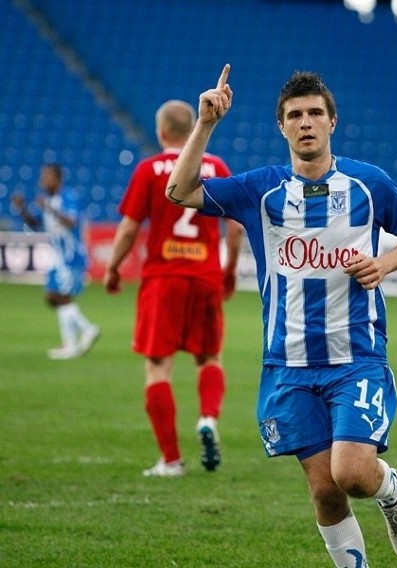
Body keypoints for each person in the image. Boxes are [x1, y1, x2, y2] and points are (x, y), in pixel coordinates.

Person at [165, 65, 397, 565]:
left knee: (353, 474)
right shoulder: (260, 191)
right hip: (288, 364)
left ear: (333, 122)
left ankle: (391, 491)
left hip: (356, 356)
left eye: (315, 113)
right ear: (282, 127)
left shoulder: (368, 184)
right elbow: (180, 192)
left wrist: (384, 263)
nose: (305, 122)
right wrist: (205, 125)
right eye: (295, 115)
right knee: (324, 489)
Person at [103, 100, 243, 478]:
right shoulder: (217, 167)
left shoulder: (149, 169)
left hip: (163, 279)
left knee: (158, 369)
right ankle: (208, 419)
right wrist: (229, 270)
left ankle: (171, 460)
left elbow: (130, 227)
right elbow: (234, 227)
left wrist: (113, 268)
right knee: (209, 359)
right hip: (206, 276)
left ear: (162, 131)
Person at [11, 164, 100, 360]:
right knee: (55, 297)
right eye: (43, 178)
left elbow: (71, 222)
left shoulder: (68, 197)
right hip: (58, 258)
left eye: (47, 177)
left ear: (57, 179)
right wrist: (22, 208)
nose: (43, 181)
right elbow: (35, 224)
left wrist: (49, 208)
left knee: (57, 296)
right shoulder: (49, 200)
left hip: (72, 255)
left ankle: (78, 338)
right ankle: (80, 336)